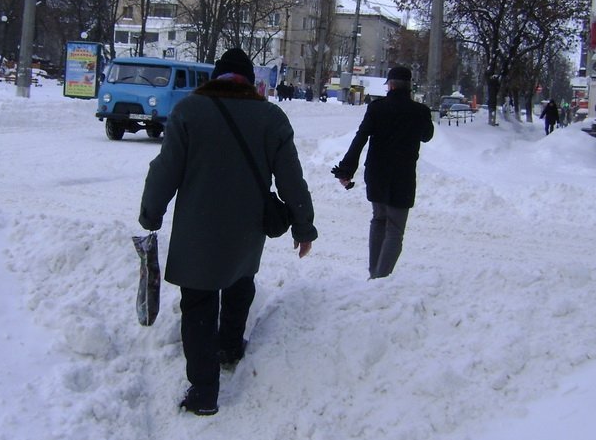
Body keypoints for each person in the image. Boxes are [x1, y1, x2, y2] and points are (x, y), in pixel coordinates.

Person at [139, 47, 317, 416]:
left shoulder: (189, 110)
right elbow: (291, 179)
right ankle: (230, 347)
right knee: (239, 283)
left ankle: (204, 392)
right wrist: (304, 226)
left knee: (199, 303)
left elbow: (164, 169)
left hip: (197, 230)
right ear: (250, 81)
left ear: (215, 77)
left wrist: (151, 215)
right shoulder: (271, 117)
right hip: (246, 228)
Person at [331, 66, 433, 279]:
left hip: (376, 174)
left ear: (392, 85)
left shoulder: (377, 109)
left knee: (378, 220)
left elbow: (361, 138)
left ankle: (373, 274)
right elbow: (427, 136)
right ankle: (380, 277)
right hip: (403, 177)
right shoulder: (420, 111)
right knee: (395, 228)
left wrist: (347, 169)